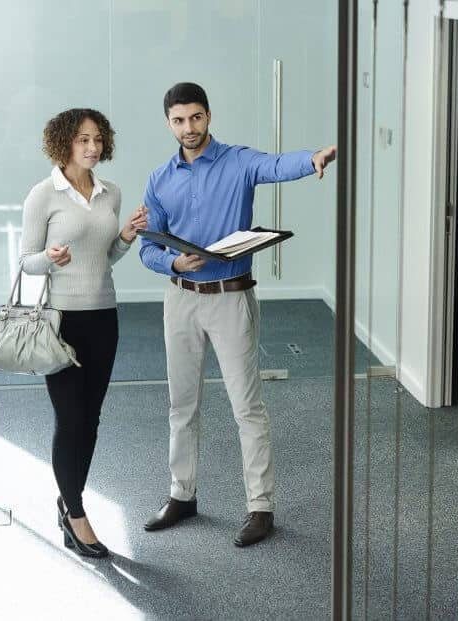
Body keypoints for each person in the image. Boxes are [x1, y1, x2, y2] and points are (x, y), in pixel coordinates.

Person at [139, 82, 336, 547]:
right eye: (179, 120)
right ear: (169, 122)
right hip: (182, 299)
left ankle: (260, 506)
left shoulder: (238, 161)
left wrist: (312, 160)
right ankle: (181, 495)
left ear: (209, 116)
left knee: (247, 406)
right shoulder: (159, 178)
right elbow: (149, 246)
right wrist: (172, 262)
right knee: (181, 405)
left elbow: (275, 165)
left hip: (230, 298)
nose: (189, 127)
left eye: (196, 117)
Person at [19, 108, 148, 557]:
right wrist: (49, 258)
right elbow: (26, 261)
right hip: (61, 322)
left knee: (90, 421)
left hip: (103, 318)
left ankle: (67, 498)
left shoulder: (110, 194)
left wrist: (127, 237)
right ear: (64, 143)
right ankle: (76, 514)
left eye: (97, 139)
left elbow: (104, 256)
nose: (93, 147)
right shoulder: (43, 195)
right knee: (70, 419)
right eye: (83, 140)